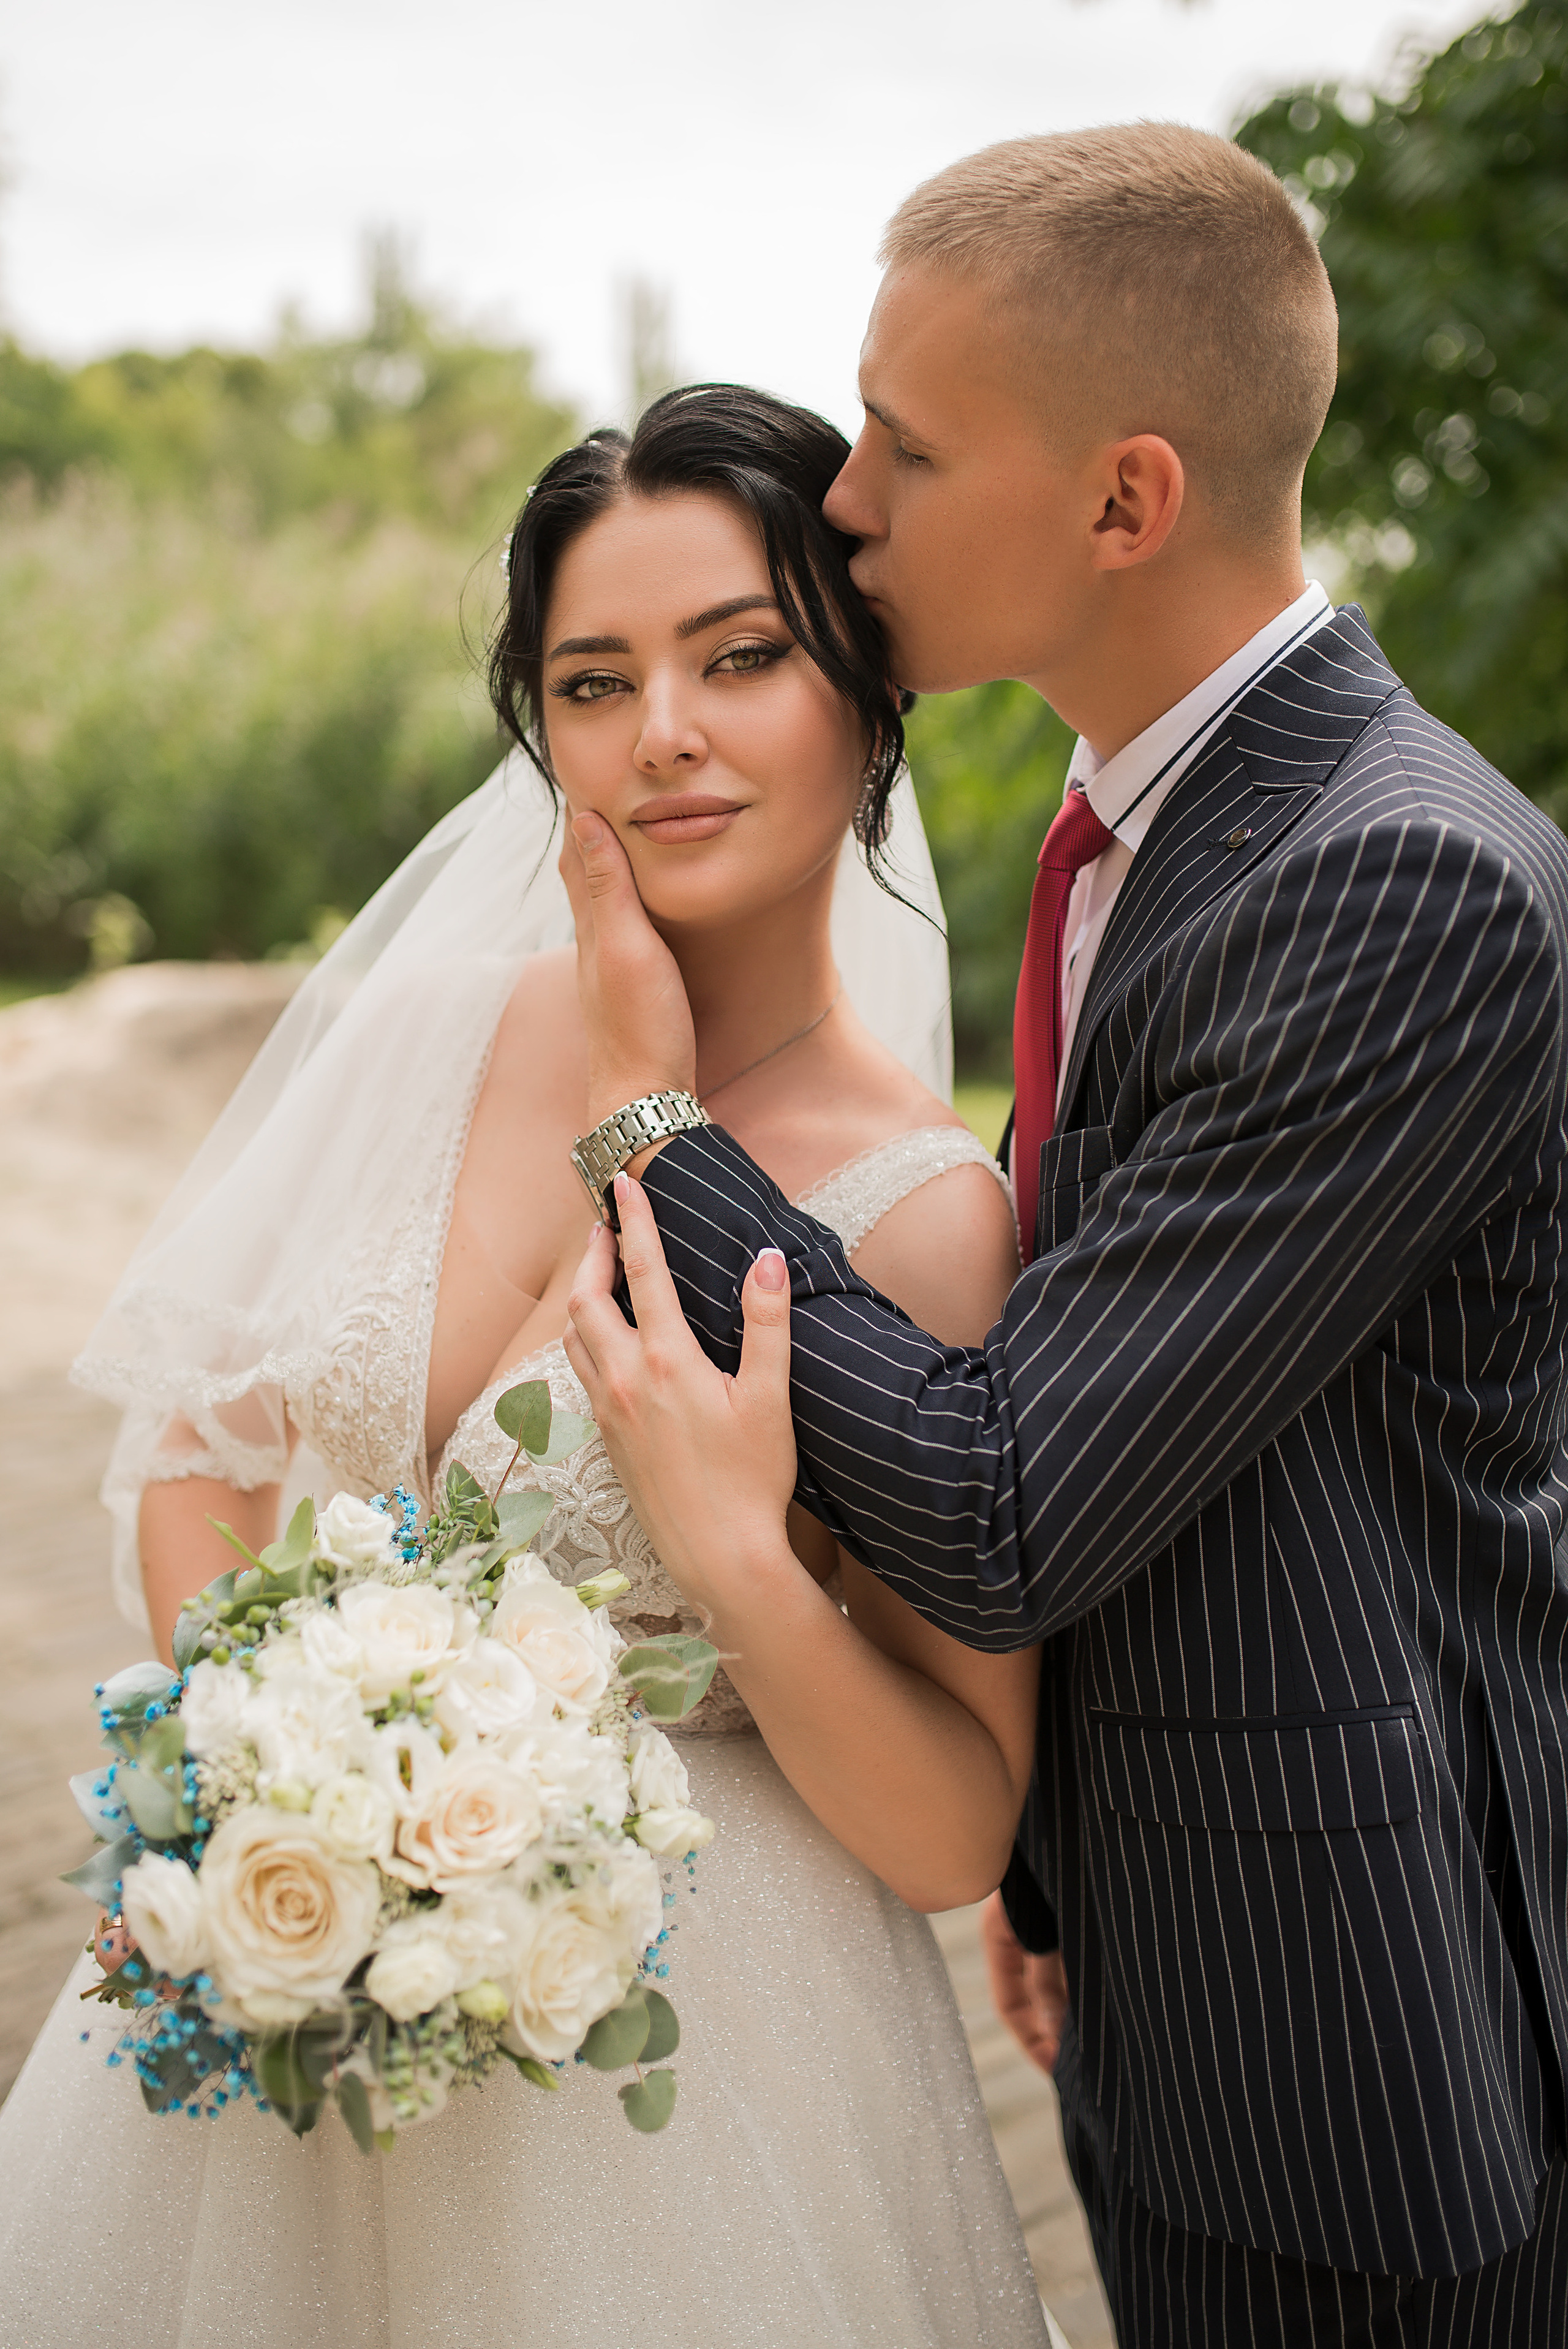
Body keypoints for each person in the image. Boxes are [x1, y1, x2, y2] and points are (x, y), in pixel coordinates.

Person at [559, 129, 1568, 2346]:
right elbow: (1169, 1406)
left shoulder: (1388, 879)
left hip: (1365, 2056)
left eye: (907, 450)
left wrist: (645, 1115)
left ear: (1126, 501)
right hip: (1173, 1960)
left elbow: (1005, 1492)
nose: (847, 506)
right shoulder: (1157, 829)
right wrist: (1064, 1859)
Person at [0, 387, 1053, 2349]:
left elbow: (953, 1822)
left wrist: (741, 1573)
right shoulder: (429, 1030)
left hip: (688, 2061)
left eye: (741, 657)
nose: (663, 730)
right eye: (594, 681)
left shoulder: (922, 1219)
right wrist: (297, 1772)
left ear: (870, 695)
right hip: (290, 1982)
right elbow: (202, 1446)